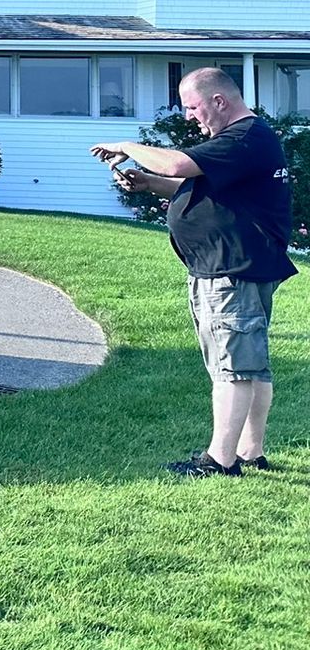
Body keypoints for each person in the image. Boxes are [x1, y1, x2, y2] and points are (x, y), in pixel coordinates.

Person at [91, 67, 295, 477]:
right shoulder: (241, 143)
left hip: (231, 271)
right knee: (249, 362)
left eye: (193, 107)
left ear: (219, 101)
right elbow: (196, 187)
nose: (189, 116)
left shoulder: (243, 137)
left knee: (232, 366)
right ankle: (251, 451)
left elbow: (178, 166)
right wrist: (147, 183)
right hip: (232, 266)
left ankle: (220, 460)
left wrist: (130, 145)